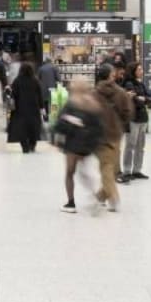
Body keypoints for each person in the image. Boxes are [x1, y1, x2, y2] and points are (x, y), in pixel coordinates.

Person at [54, 80, 105, 214]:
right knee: (85, 172)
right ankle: (95, 196)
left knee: (70, 173)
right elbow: (99, 127)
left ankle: (71, 203)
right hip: (87, 145)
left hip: (72, 143)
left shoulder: (71, 104)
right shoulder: (93, 105)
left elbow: (60, 123)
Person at [94, 64, 132, 212]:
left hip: (99, 135)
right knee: (109, 167)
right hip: (116, 134)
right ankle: (113, 197)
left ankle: (102, 195)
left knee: (108, 167)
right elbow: (128, 112)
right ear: (111, 76)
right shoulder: (121, 93)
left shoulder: (94, 94)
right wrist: (120, 124)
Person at [119, 63, 150, 182]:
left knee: (140, 147)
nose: (142, 71)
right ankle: (127, 171)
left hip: (143, 118)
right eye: (139, 69)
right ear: (133, 71)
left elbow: (149, 98)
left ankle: (137, 170)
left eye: (142, 69)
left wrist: (143, 99)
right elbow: (136, 101)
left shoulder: (141, 84)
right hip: (133, 119)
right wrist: (142, 99)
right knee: (130, 146)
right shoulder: (128, 84)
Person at [8, 62, 43, 154]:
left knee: (22, 128)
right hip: (34, 109)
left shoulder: (17, 80)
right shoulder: (35, 80)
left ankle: (25, 146)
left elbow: (13, 94)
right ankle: (32, 144)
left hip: (20, 109)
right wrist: (42, 107)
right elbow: (40, 95)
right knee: (33, 127)